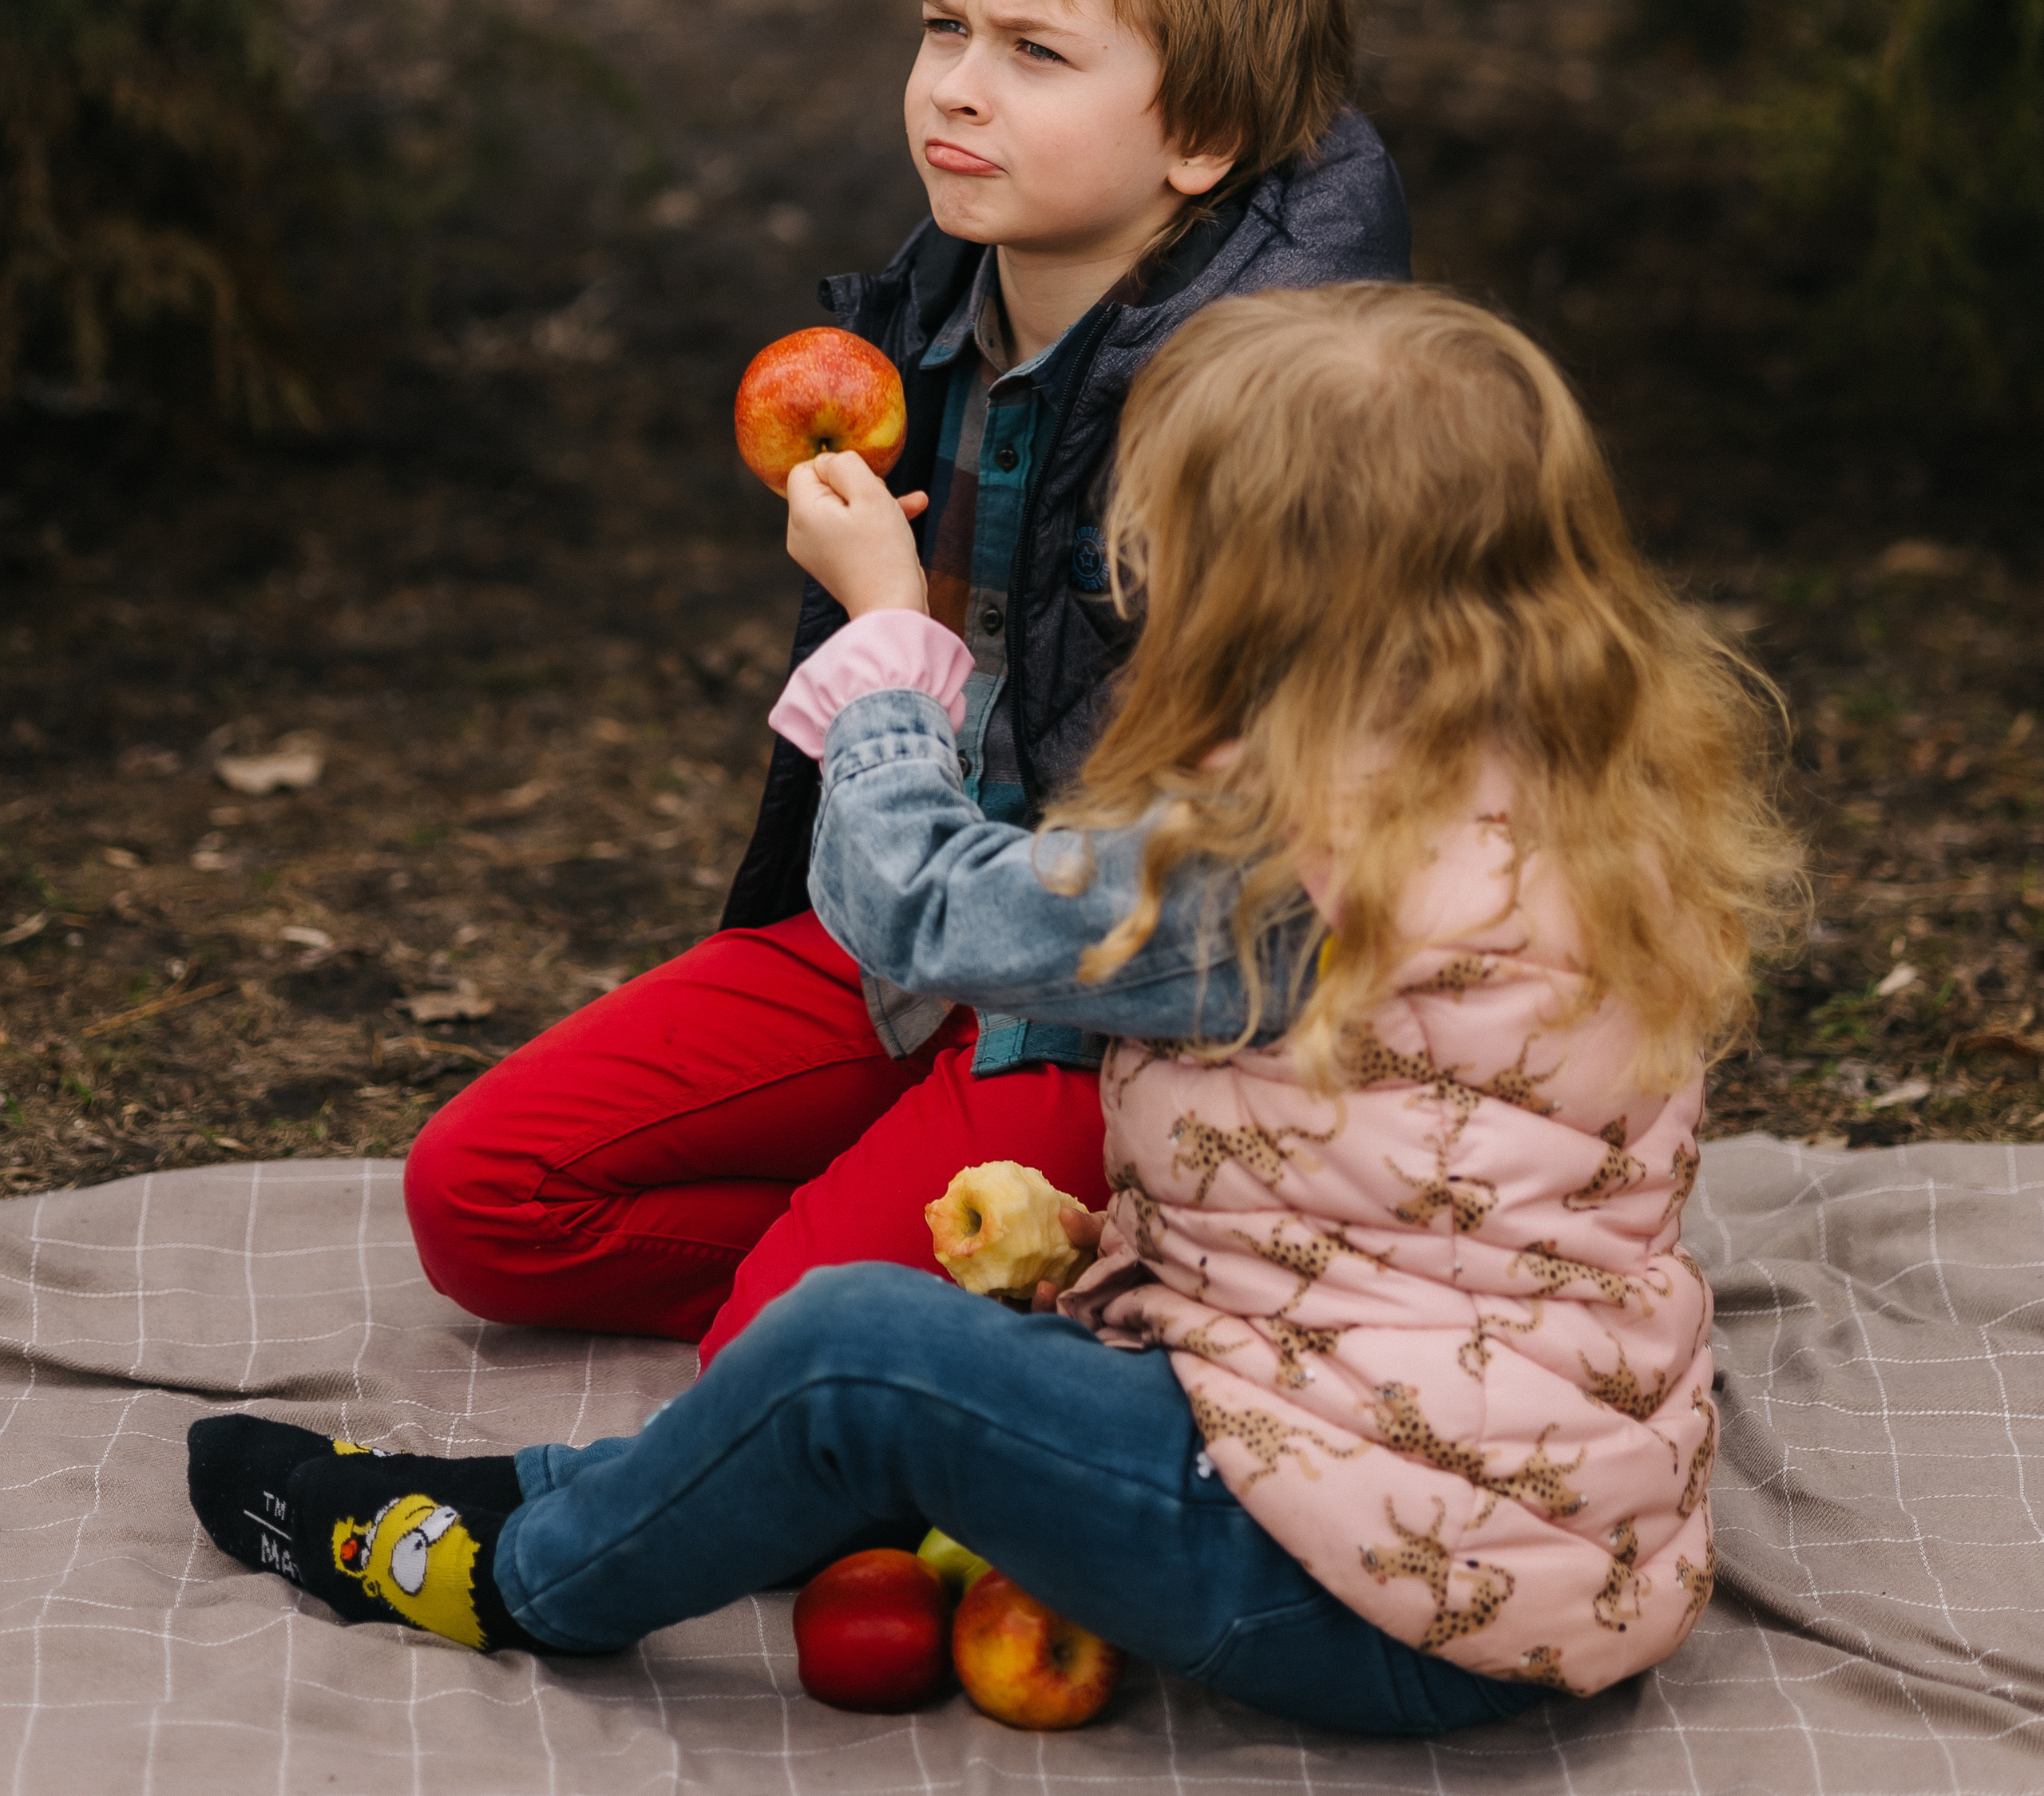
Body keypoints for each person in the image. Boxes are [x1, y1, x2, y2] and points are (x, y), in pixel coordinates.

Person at [190, 283, 1799, 1733]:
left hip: (1353, 1586)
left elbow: (912, 905)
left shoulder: (1278, 869)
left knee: (854, 1354)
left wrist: (892, 647)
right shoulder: (1582, 804)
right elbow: (1414, 1194)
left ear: (1251, 600)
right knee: (940, 1324)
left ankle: (513, 1572)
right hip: (1542, 1555)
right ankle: (554, 1489)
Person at [401, 0, 1409, 1365]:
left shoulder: (1272, 422)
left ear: (1198, 134)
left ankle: (1071, 1261)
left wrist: (884, 623)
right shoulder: (925, 325)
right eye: (943, 26)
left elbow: (1216, 885)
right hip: (895, 936)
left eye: (1033, 53)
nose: (953, 84)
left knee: (774, 1360)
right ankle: (954, 1258)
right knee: (482, 1201)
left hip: (1102, 1008)